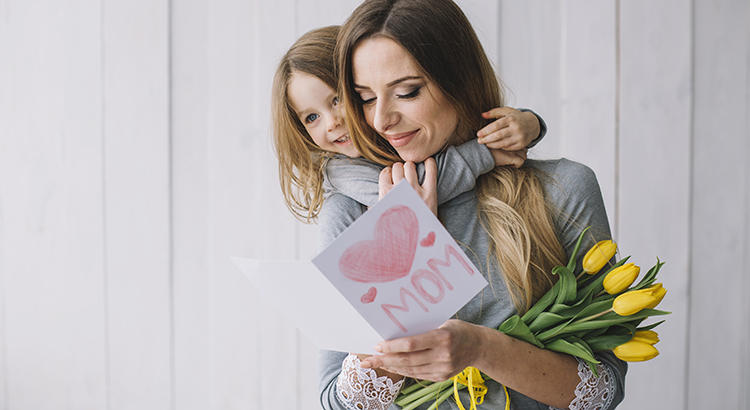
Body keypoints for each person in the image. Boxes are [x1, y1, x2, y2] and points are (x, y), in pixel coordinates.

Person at [317, 0, 627, 409]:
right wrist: (410, 250)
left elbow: (603, 393)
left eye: (407, 92)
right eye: (366, 98)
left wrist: (482, 348)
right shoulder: (351, 210)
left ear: (459, 80)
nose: (380, 121)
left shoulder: (562, 189)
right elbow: (336, 403)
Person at [270, 25, 547, 222]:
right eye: (311, 117)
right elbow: (408, 195)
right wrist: (482, 154)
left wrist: (530, 123)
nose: (331, 123)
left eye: (338, 99)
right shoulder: (338, 170)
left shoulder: (399, 134)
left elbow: (469, 126)